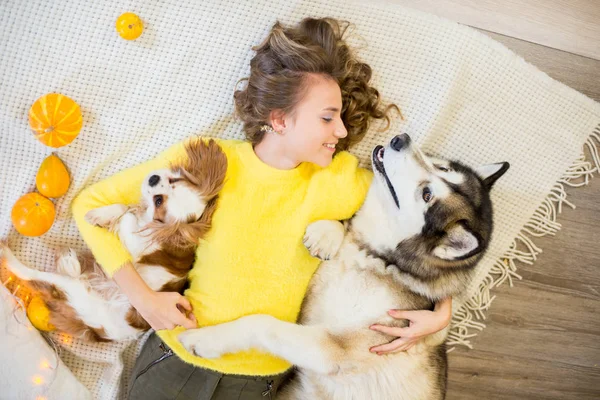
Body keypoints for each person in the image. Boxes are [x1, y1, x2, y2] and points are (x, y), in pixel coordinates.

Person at [72, 17, 452, 400]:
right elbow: (90, 205)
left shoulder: (342, 181)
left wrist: (441, 312)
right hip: (177, 361)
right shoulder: (211, 159)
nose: (340, 131)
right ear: (279, 119)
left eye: (338, 117)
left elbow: (428, 221)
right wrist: (144, 300)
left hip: (256, 383)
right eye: (327, 117)